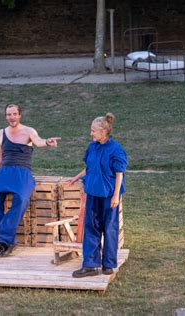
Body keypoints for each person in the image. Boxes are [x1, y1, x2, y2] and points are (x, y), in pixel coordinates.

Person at [0, 103, 61, 257]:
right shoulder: (1, 133)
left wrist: (47, 142)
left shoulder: (28, 131)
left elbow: (38, 142)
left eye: (14, 114)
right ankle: (7, 241)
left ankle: (3, 241)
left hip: (22, 172)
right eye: (8, 114)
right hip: (4, 171)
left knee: (21, 199)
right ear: (6, 116)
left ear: (20, 115)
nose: (11, 117)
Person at [67, 112, 128, 278]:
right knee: (91, 228)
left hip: (108, 195)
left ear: (103, 132)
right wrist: (76, 177)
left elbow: (119, 173)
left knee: (109, 228)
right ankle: (91, 265)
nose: (91, 133)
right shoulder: (92, 147)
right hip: (93, 192)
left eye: (93, 130)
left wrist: (116, 196)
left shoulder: (116, 149)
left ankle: (108, 264)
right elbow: (90, 167)